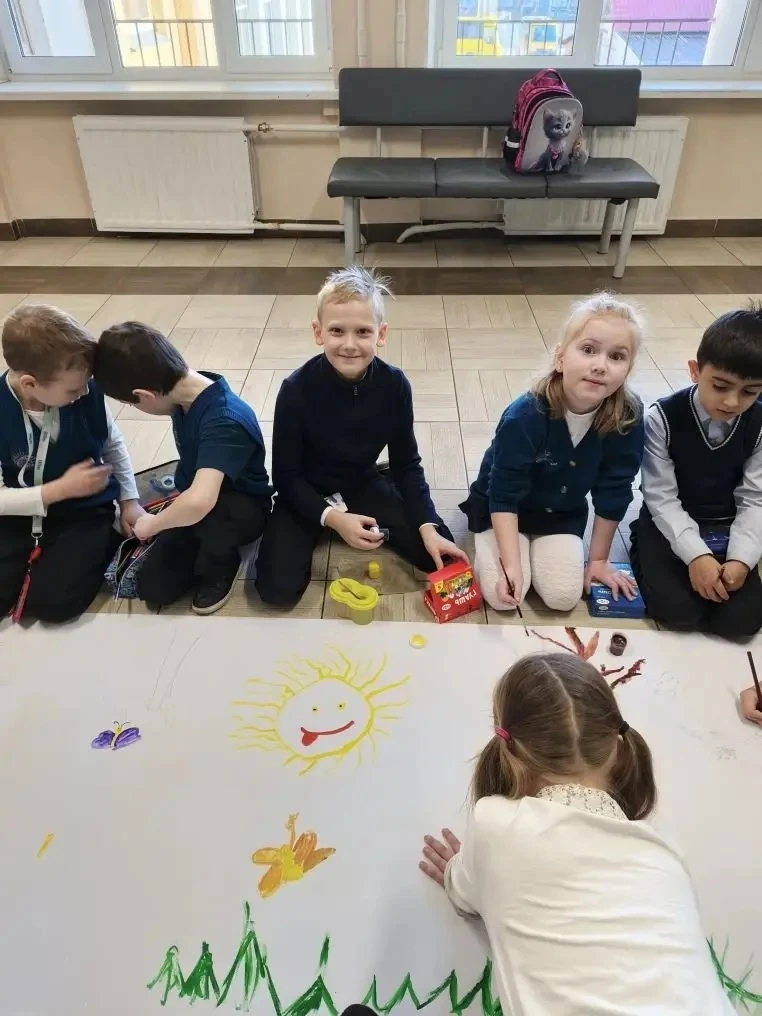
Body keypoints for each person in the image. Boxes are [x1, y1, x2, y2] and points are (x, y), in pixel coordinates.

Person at [419, 653, 734, 1016]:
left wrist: (457, 872)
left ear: (510, 747)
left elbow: (464, 896)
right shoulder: (664, 851)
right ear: (616, 747)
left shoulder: (495, 823)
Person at [255, 266, 467, 608]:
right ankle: (330, 520)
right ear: (318, 332)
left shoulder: (395, 385)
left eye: (363, 332)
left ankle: (385, 489)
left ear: (381, 334)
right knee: (275, 592)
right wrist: (334, 519)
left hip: (360, 480)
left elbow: (407, 463)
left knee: (439, 554)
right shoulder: (295, 390)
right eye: (337, 331)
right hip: (305, 490)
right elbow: (285, 476)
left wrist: (427, 525)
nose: (350, 344)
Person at [460, 292, 644, 613]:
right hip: (504, 510)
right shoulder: (524, 415)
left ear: (628, 369)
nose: (600, 365)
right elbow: (503, 493)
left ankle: (532, 553)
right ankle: (497, 547)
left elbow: (614, 490)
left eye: (616, 356)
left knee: (563, 597)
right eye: (588, 350)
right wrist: (511, 564)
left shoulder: (628, 417)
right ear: (560, 358)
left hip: (561, 515)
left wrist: (598, 560)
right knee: (504, 598)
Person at [93, 323, 271, 615]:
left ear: (145, 395)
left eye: (131, 403)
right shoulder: (181, 395)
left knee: (211, 520)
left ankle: (224, 563)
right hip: (195, 497)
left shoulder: (224, 418)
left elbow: (201, 501)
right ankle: (199, 543)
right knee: (155, 588)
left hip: (239, 507)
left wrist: (152, 525)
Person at [0, 305, 143, 623]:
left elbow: (113, 444)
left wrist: (129, 501)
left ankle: (105, 539)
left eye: (87, 382)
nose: (85, 392)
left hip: (83, 511)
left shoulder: (86, 391)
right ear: (29, 384)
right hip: (16, 515)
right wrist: (58, 490)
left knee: (55, 607)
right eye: (73, 389)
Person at [630, 305, 762, 640]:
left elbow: (755, 499)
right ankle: (639, 543)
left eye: (749, 391)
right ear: (695, 370)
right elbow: (661, 498)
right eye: (720, 386)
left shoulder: (759, 424)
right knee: (678, 612)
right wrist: (696, 554)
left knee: (741, 622)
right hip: (668, 521)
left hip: (726, 524)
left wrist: (742, 560)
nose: (732, 402)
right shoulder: (662, 418)